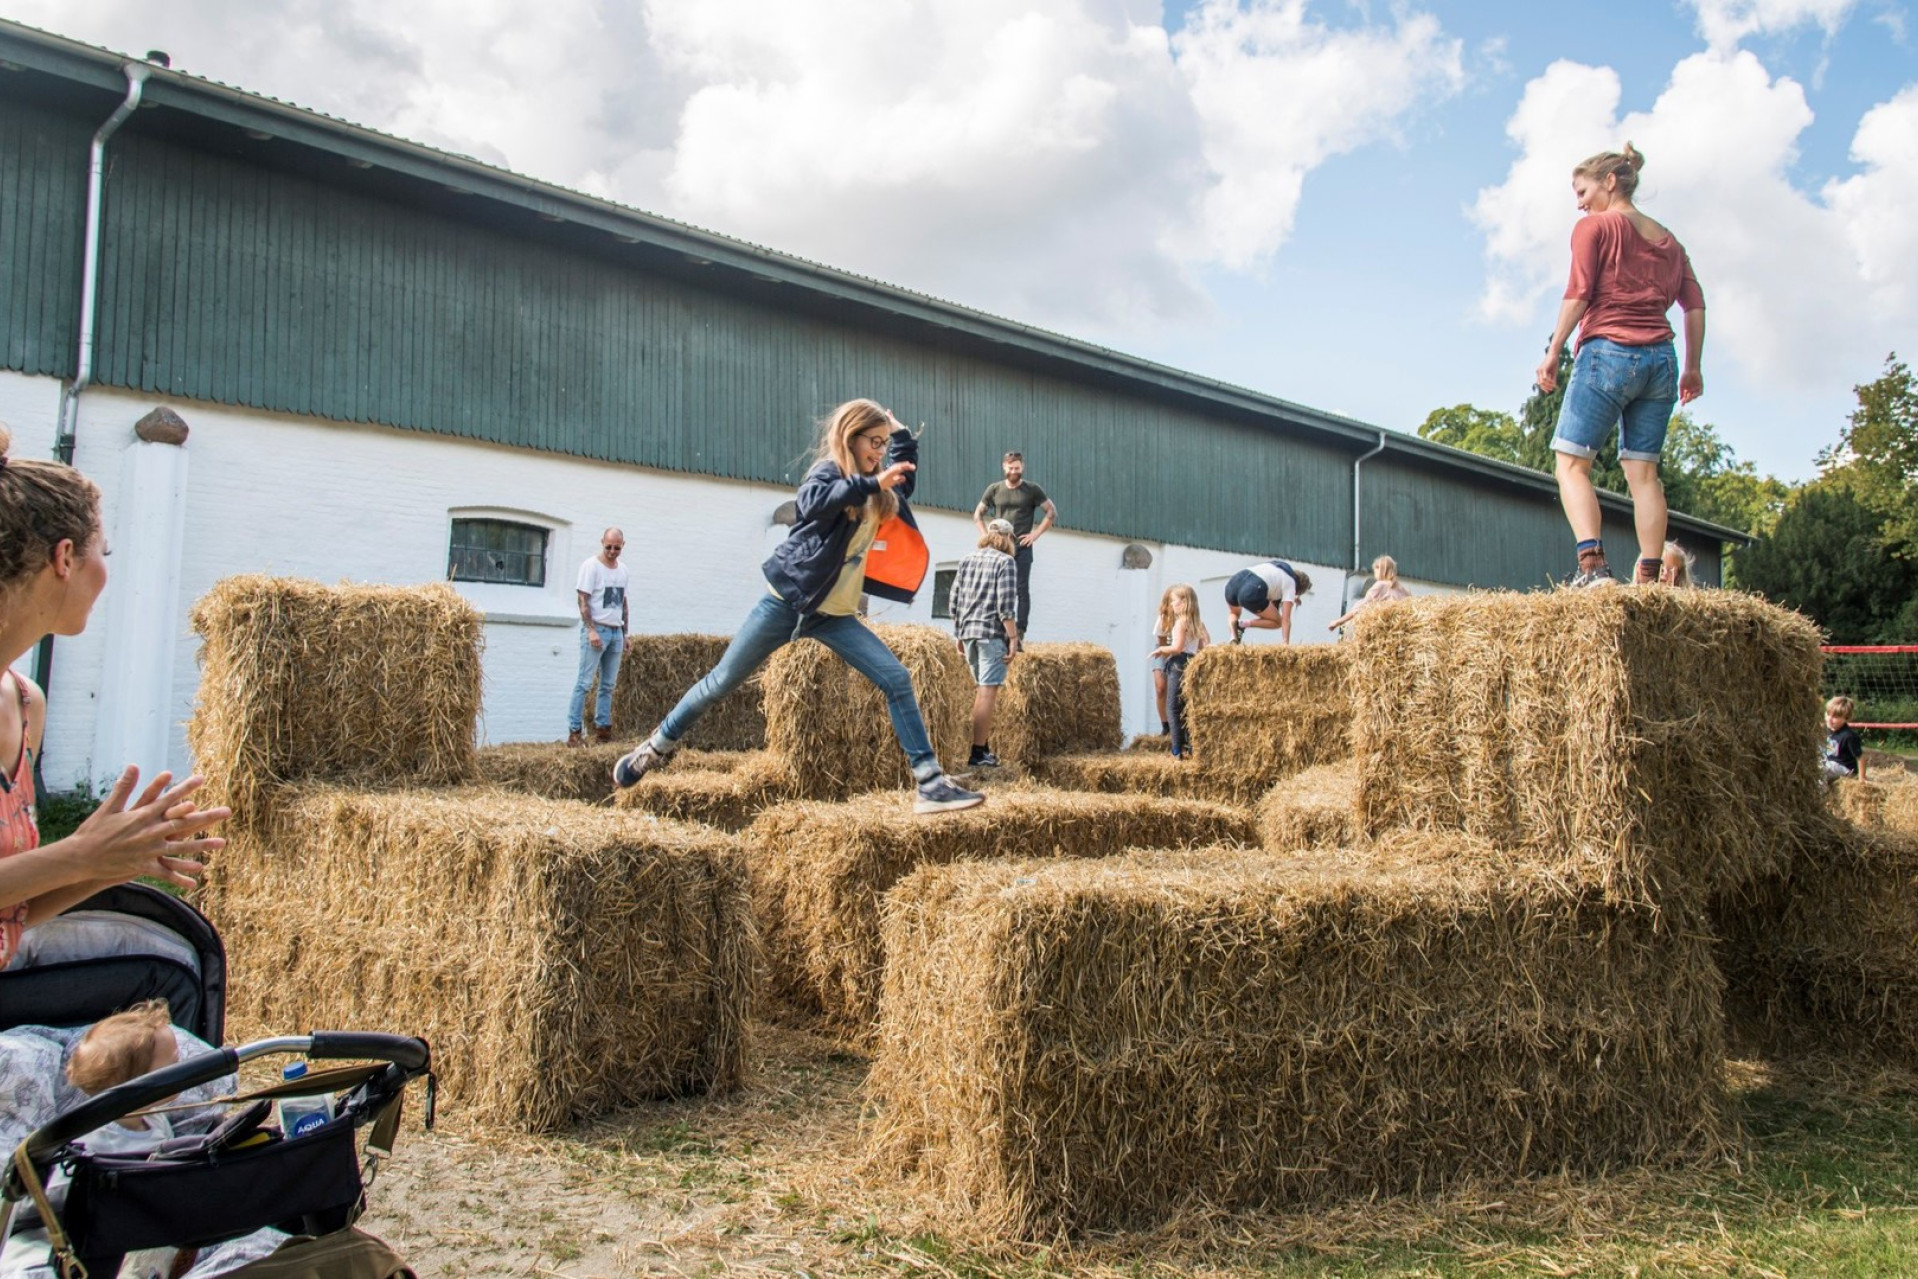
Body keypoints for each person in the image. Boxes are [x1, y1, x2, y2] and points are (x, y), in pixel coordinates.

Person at [613, 401, 983, 814]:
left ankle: (930, 785)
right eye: (873, 442)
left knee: (896, 678)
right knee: (720, 682)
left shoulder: (877, 488)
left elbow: (903, 478)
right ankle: (654, 747)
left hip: (835, 617)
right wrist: (871, 481)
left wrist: (900, 437)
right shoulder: (829, 475)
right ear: (850, 437)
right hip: (787, 604)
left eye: (883, 445)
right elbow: (813, 503)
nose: (880, 452)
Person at [0, 425, 226, 982]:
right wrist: (79, 854)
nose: (108, 569)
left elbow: (12, 913)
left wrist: (107, 863)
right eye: (105, 551)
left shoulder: (28, 704)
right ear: (65, 557)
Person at [1534, 143, 1707, 589]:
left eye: (1582, 189)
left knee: (1571, 464)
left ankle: (1592, 570)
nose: (1579, 202)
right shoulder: (1669, 241)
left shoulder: (1595, 227)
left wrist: (1554, 349)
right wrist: (1693, 367)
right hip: (1662, 362)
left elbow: (1579, 293)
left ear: (1609, 181)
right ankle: (1649, 579)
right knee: (1644, 474)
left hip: (1608, 352)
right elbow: (1694, 304)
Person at [949, 520, 1021, 770]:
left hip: (968, 633)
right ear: (1007, 538)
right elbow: (1006, 605)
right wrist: (1013, 638)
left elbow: (954, 600)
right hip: (991, 634)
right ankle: (978, 753)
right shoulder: (1006, 562)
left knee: (980, 691)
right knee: (987, 691)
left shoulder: (967, 559)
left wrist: (958, 634)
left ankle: (983, 747)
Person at [65, 999, 181, 1153]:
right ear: (135, 1084)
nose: (182, 1069)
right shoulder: (91, 1143)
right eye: (173, 1065)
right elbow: (65, 1174)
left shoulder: (154, 1118)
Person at [974, 451, 1056, 638]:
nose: (1014, 472)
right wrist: (986, 536)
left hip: (1021, 547)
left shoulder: (1032, 489)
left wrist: (1035, 534)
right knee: (994, 586)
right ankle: (994, 624)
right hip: (999, 548)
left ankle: (1020, 631)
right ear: (1004, 467)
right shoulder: (994, 489)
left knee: (1021, 588)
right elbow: (978, 514)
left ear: (1022, 467)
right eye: (1011, 468)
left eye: (1017, 468)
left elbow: (1051, 512)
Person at [567, 527, 632, 747]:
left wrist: (625, 633)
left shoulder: (623, 570)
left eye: (617, 547)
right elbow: (583, 600)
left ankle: (603, 729)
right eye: (608, 547)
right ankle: (574, 732)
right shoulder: (591, 567)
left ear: (623, 545)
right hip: (597, 630)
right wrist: (591, 629)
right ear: (602, 542)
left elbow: (623, 603)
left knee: (608, 685)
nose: (612, 551)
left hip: (615, 631)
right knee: (584, 683)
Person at [1149, 585, 1209, 759]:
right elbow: (1202, 645)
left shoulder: (1180, 622)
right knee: (1186, 706)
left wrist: (1161, 650)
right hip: (1191, 662)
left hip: (1178, 664)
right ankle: (1191, 746)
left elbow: (1177, 647)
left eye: (1174, 601)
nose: (1171, 604)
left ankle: (1177, 749)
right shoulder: (1195, 622)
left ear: (1183, 603)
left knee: (1173, 707)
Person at [1224, 559, 1312, 644]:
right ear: (1299, 589)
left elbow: (1272, 593)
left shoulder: (1278, 568)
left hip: (1234, 582)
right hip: (1252, 589)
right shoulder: (1291, 583)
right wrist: (1286, 644)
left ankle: (1233, 637)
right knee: (1278, 622)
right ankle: (1242, 624)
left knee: (1234, 613)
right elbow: (1286, 620)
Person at [1328, 554, 1411, 631]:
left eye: (1375, 570)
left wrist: (1338, 621)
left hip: (1384, 629)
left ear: (1381, 570)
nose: (1374, 573)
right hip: (1399, 629)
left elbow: (1361, 606)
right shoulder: (1403, 589)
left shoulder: (1380, 585)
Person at [1823, 696, 1864, 787]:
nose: (1830, 719)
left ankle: (1821, 796)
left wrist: (1861, 779)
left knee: (1819, 770)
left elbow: (1860, 758)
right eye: (1828, 714)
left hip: (1845, 769)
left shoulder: (1848, 736)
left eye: (1835, 717)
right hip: (1832, 764)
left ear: (1846, 718)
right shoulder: (1827, 731)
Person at [1151, 586, 1175, 738]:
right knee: (1161, 688)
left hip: (1179, 651)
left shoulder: (1188, 617)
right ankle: (1165, 725)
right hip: (1163, 650)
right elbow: (1162, 643)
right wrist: (1168, 664)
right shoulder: (1163, 619)